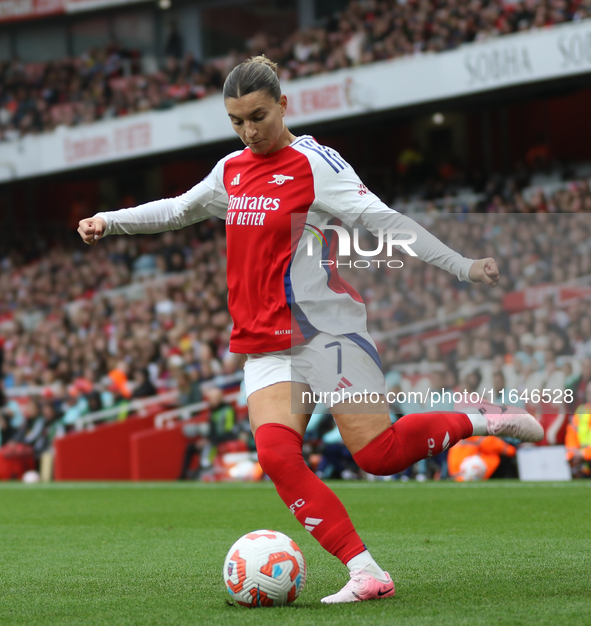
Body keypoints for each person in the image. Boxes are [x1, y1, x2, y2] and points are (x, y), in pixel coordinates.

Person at [77, 55, 543, 604]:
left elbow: (385, 222)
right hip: (265, 343)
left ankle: (479, 418)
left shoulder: (315, 164)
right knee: (276, 456)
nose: (250, 131)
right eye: (236, 121)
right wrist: (112, 220)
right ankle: (366, 572)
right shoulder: (230, 170)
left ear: (283, 105)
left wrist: (461, 265)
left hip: (327, 333)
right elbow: (179, 209)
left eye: (258, 116)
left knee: (378, 455)